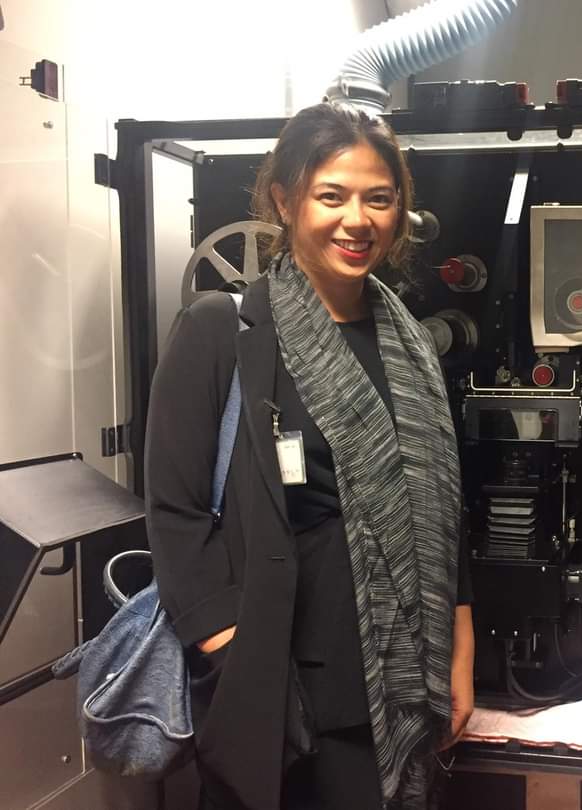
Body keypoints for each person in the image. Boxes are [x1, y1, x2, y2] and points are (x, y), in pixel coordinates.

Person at [144, 101, 474, 810]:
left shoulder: (411, 344)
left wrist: (460, 647)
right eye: (332, 196)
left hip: (405, 679)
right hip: (278, 686)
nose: (357, 220)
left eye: (378, 198)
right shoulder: (222, 330)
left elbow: (440, 509)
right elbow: (174, 510)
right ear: (285, 201)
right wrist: (233, 650)